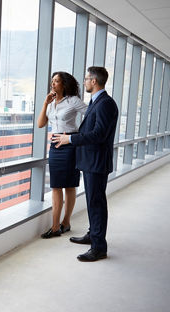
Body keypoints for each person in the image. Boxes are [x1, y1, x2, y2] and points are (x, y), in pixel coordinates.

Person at [54, 66, 118, 261]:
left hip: (96, 162)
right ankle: (93, 235)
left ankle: (99, 247)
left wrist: (70, 140)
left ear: (94, 81)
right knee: (93, 202)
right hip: (91, 161)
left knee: (96, 203)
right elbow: (90, 130)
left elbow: (99, 135)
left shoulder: (105, 103)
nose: (84, 82)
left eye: (86, 79)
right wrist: (72, 136)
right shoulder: (96, 102)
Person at [37, 71, 87, 239]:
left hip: (70, 146)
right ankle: (55, 226)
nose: (53, 84)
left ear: (64, 84)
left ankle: (66, 222)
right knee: (56, 186)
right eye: (52, 81)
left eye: (56, 81)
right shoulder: (51, 103)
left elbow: (92, 114)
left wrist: (76, 136)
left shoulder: (73, 101)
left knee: (70, 185)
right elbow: (40, 124)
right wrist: (45, 103)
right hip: (55, 147)